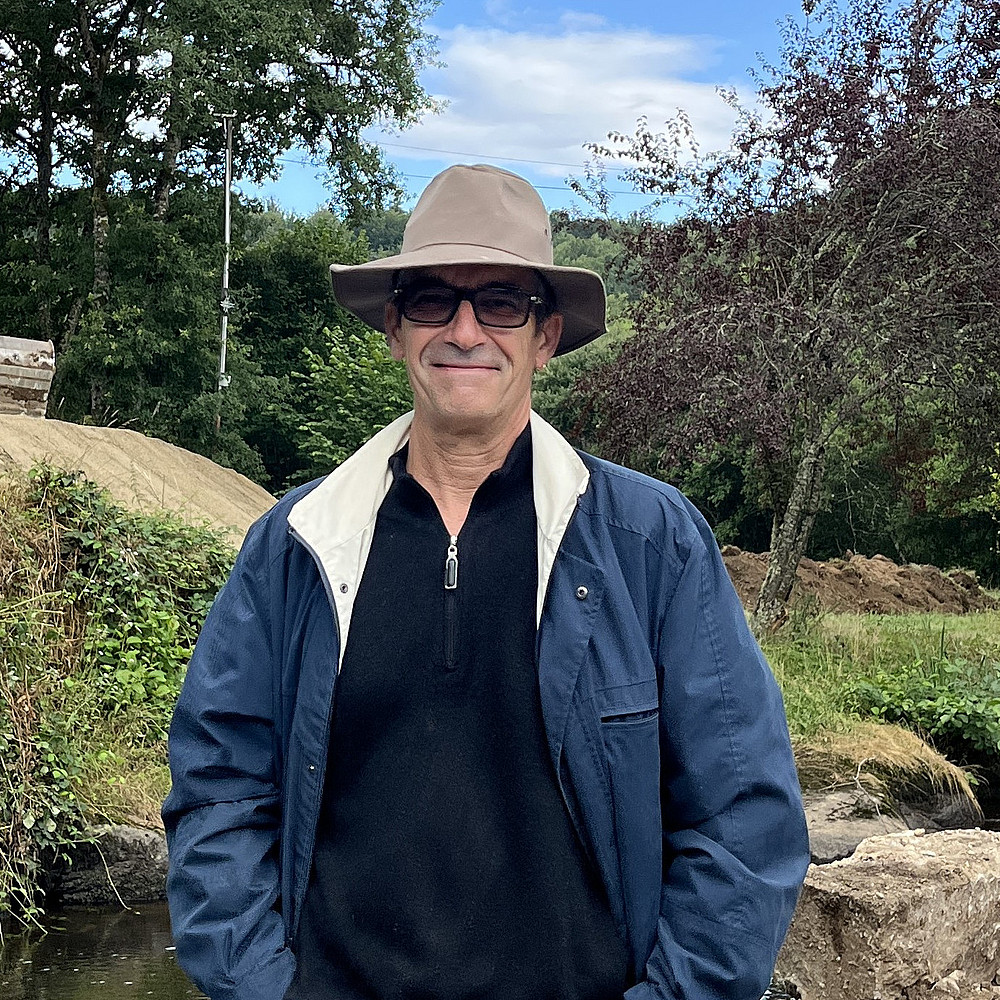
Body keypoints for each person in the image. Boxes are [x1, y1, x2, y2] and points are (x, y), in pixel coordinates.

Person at [163, 163, 810, 1000]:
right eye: (433, 300)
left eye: (501, 302)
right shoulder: (296, 547)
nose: (465, 330)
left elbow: (745, 817)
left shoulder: (651, 545)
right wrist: (266, 989)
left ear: (545, 335)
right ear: (395, 327)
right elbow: (218, 792)